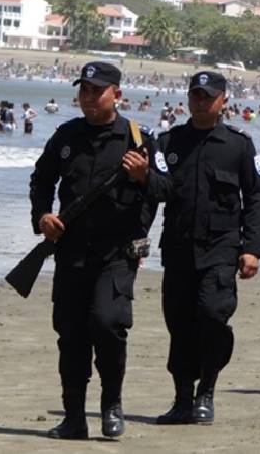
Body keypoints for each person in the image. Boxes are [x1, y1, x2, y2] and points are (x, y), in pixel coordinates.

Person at [29, 62, 168, 439]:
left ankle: (111, 405)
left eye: (97, 91)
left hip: (117, 255)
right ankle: (74, 417)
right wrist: (42, 216)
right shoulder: (65, 135)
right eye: (84, 90)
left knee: (108, 325)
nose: (88, 97)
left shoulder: (139, 139)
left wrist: (143, 176)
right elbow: (41, 180)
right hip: (72, 253)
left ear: (116, 95)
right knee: (71, 335)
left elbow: (168, 190)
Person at [154, 71, 260, 425]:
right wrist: (136, 240)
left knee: (213, 316)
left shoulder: (238, 145)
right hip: (178, 248)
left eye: (208, 96)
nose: (201, 101)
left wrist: (252, 248)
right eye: (196, 95)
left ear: (223, 100)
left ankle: (207, 392)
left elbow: (254, 196)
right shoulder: (168, 143)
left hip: (221, 248)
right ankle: (182, 399)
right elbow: (151, 195)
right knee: (179, 324)